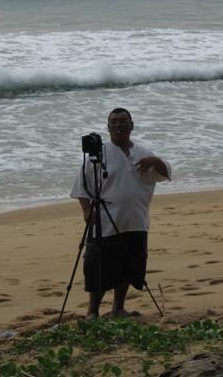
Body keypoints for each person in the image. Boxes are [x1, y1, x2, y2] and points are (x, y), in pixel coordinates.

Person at [70, 107, 171, 319]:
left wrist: (156, 161)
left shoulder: (144, 152)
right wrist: (87, 211)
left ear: (132, 126)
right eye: (114, 122)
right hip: (105, 222)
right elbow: (81, 187)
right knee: (98, 268)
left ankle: (118, 308)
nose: (119, 125)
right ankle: (93, 311)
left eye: (123, 121)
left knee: (128, 267)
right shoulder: (98, 155)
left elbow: (166, 174)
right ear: (108, 127)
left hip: (135, 220)